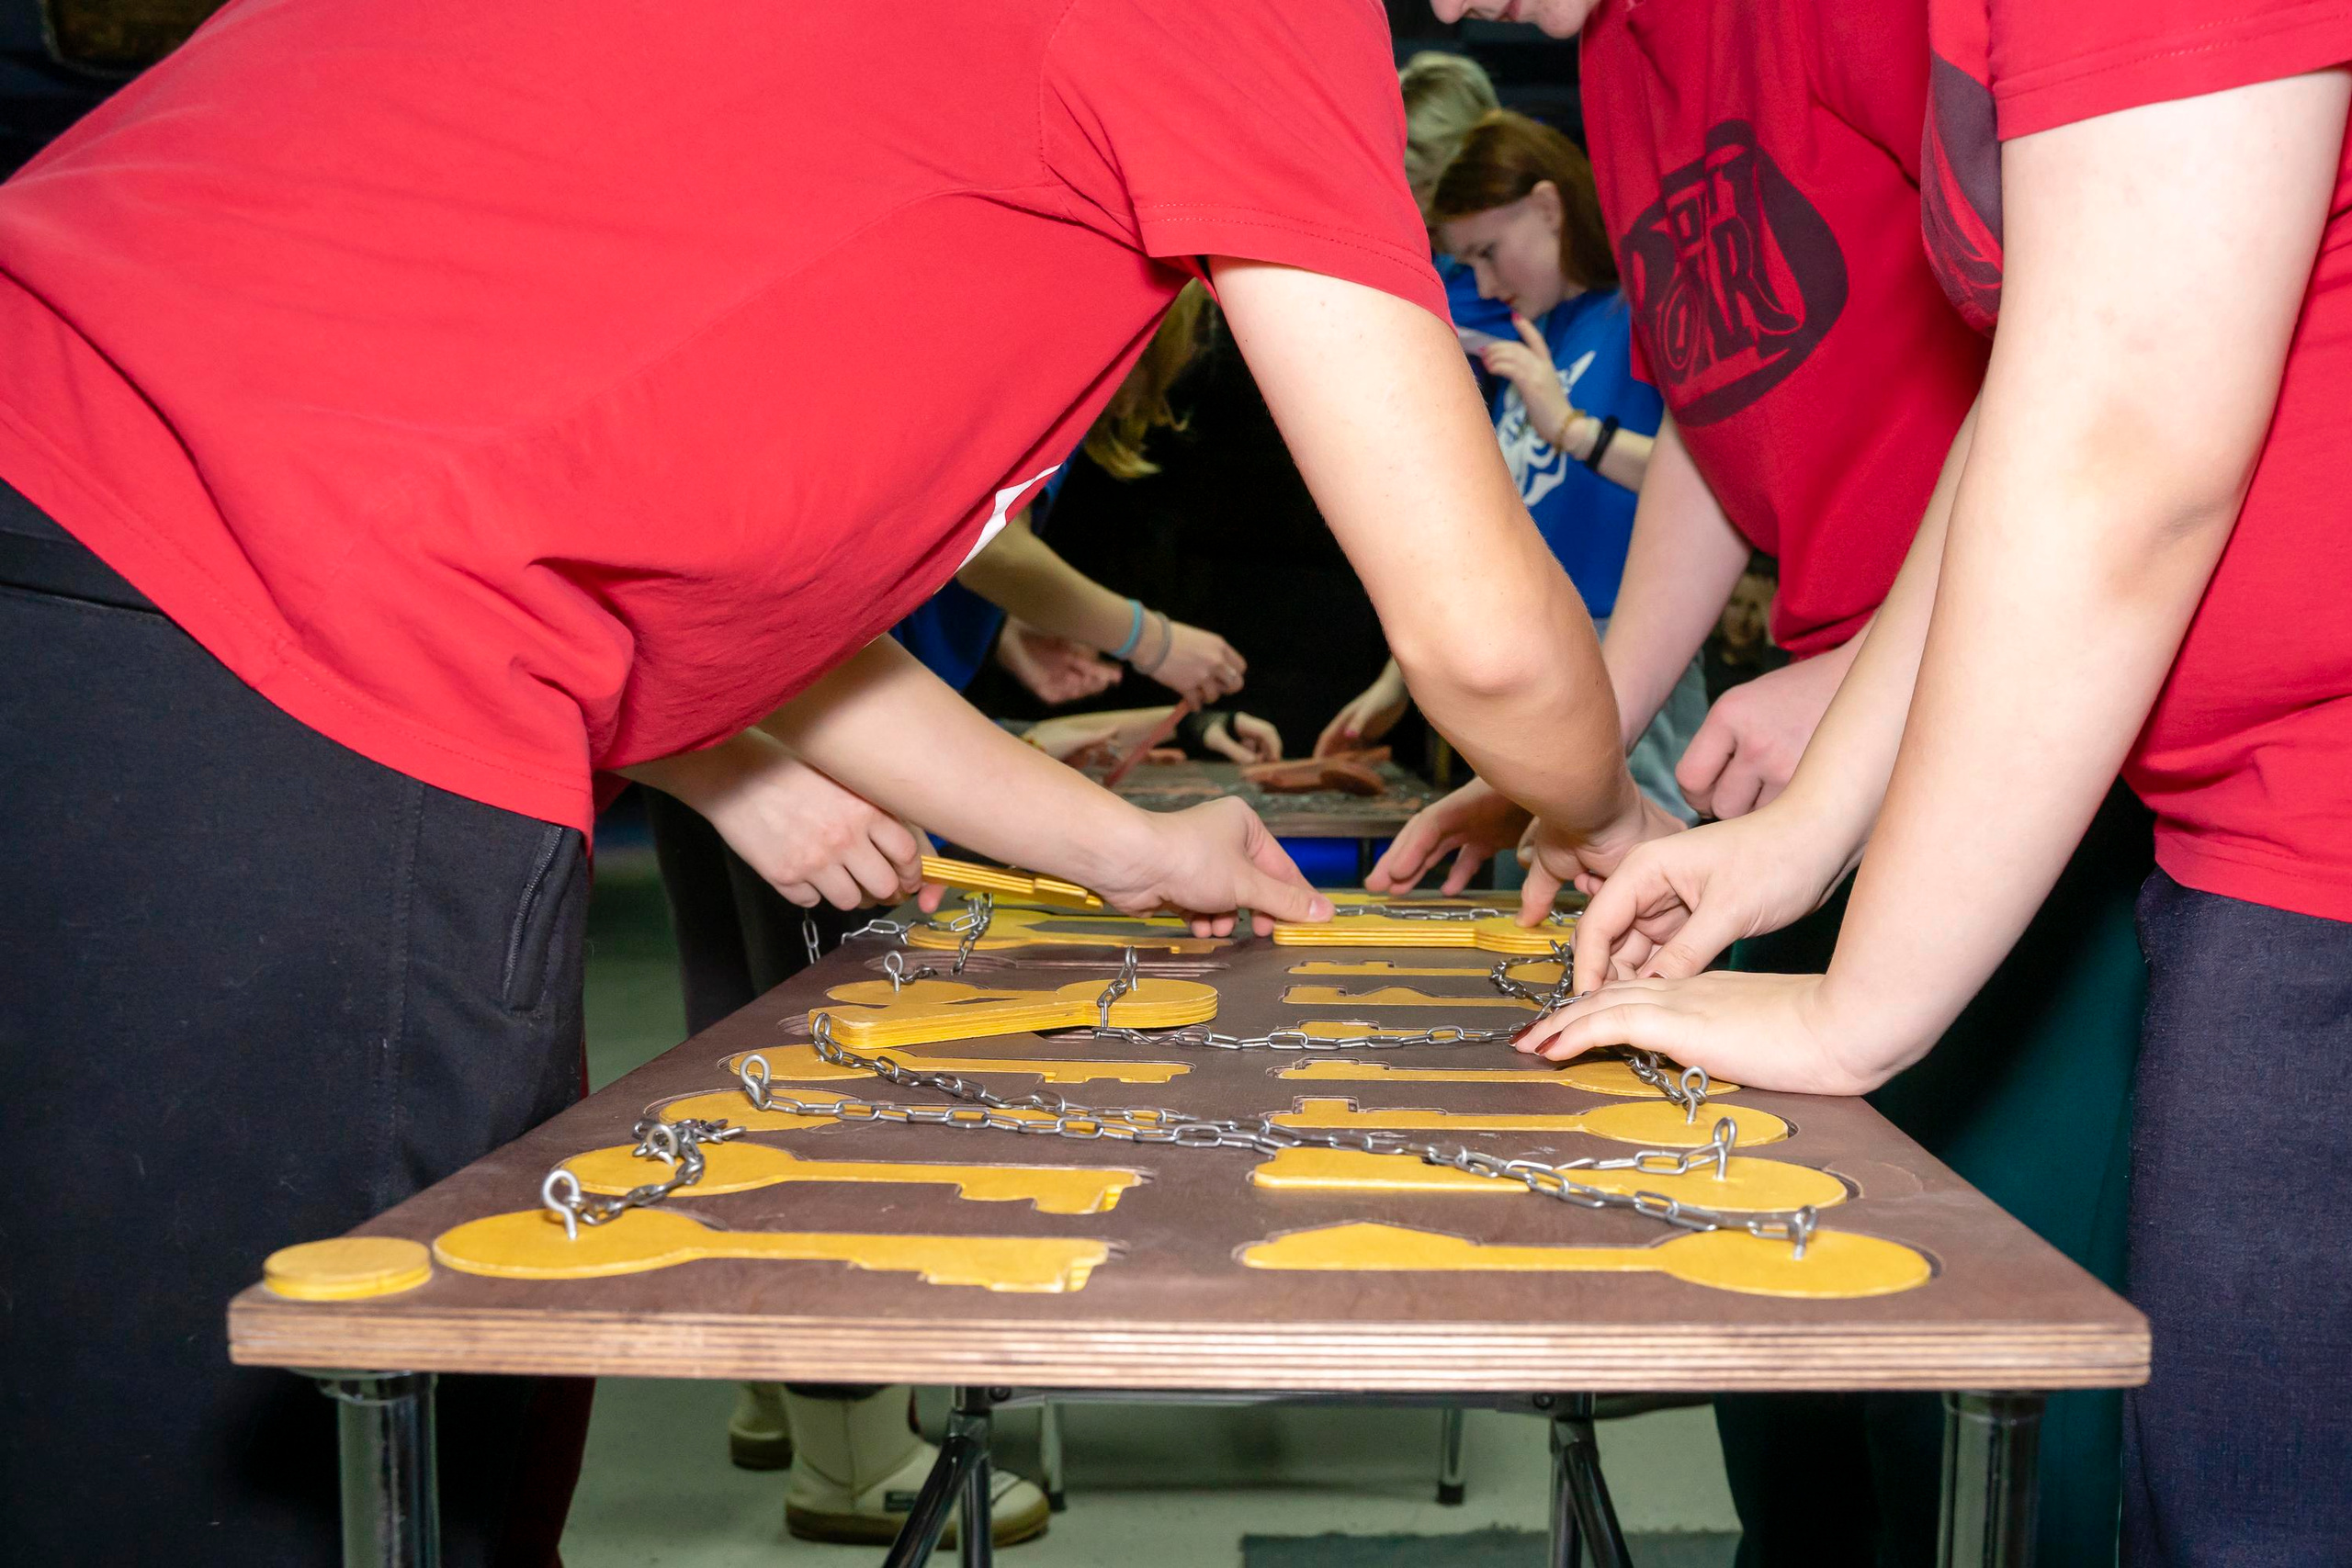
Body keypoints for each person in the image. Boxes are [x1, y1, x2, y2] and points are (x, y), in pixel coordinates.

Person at [0, 1, 1673, 1562]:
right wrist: (1595, 811)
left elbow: (714, 543)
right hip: (238, 615)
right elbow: (1490, 644)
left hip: (92, 497)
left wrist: (1118, 843)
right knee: (330, 1458)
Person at [1521, 3, 2352, 1560]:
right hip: (2231, 818)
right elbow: (2040, 392)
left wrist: (1861, 1003)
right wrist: (1810, 831)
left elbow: (2125, 443)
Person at [1392, 2, 2150, 1562]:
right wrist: (1572, 742)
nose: (1450, 9)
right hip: (1821, 739)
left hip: (2037, 725)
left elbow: (2101, 347)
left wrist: (1881, 663)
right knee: (1772, 1303)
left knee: (1994, 1342)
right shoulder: (1616, 54)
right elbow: (1708, 429)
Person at [1317, 110, 1706, 825]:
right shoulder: (1536, 332)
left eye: (1490, 252)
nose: (1486, 284)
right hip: (1539, 656)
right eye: (1469, 264)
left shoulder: (1643, 312)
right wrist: (1396, 682)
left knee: (1632, 872)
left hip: (1639, 643)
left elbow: (1712, 491)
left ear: (1550, 206)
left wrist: (1575, 431)